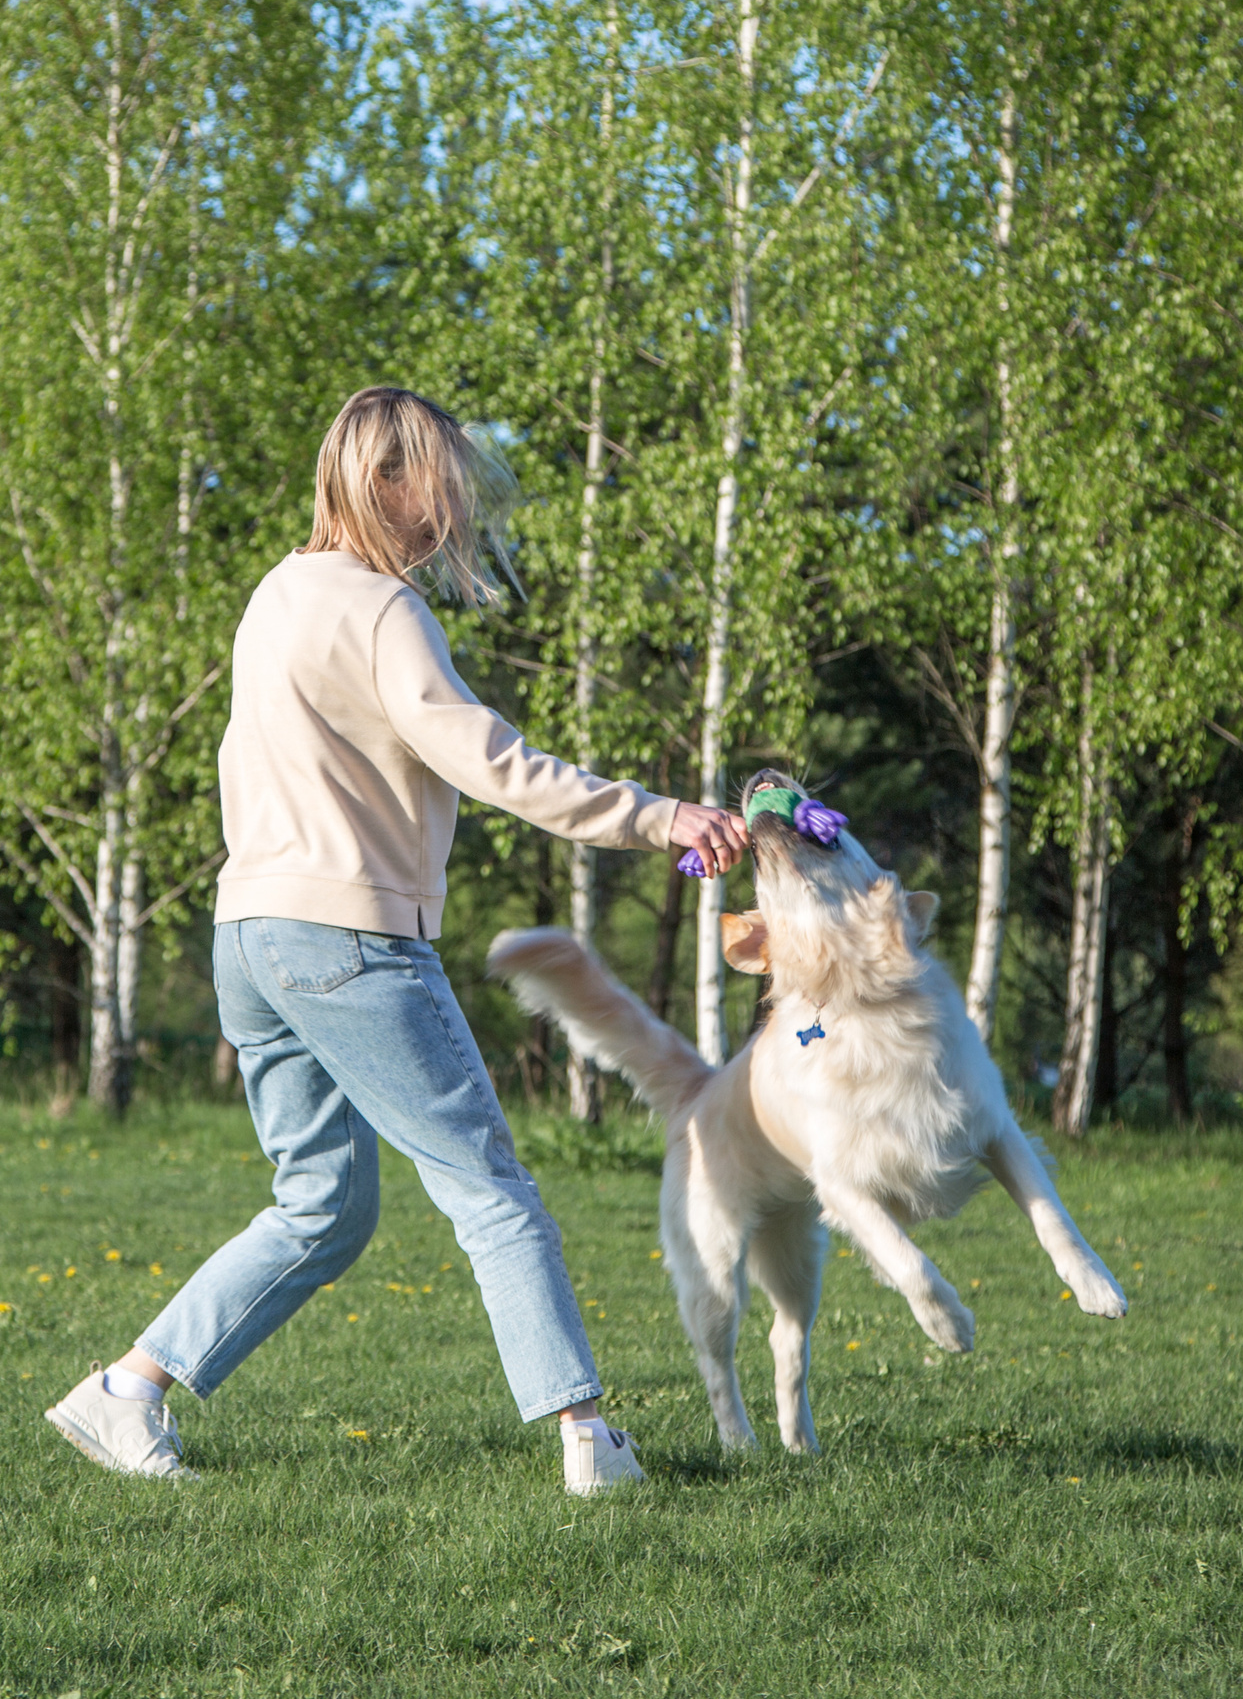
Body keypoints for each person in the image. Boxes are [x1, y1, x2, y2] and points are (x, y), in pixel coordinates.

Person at [45, 386, 749, 1495]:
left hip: (250, 937)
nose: (454, 507)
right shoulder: (384, 610)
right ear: (380, 480)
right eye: (438, 481)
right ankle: (587, 1443)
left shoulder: (276, 592)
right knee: (492, 1190)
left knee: (323, 1207)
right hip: (348, 940)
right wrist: (660, 816)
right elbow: (493, 762)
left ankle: (127, 1390)